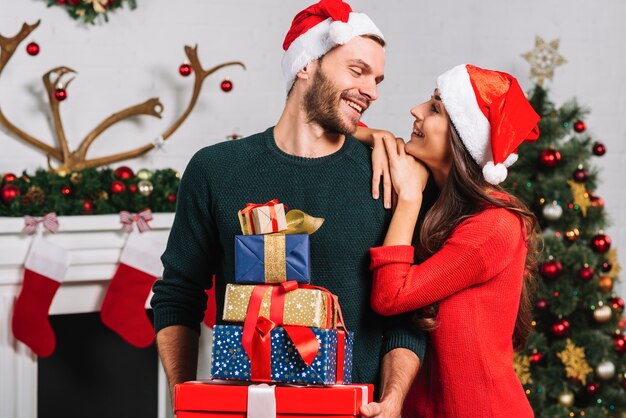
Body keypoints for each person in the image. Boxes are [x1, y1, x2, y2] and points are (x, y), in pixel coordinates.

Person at [150, 1, 428, 416]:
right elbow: (177, 295)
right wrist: (184, 398)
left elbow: (404, 318)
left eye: (377, 79)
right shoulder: (216, 170)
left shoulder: (386, 176)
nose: (372, 91)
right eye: (357, 70)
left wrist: (392, 400)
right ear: (305, 66)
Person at [362, 64, 541, 417]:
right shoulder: (447, 209)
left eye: (435, 108)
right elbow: (338, 126)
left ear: (462, 137)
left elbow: (390, 296)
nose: (415, 110)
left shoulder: (494, 226)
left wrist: (409, 198)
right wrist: (373, 136)